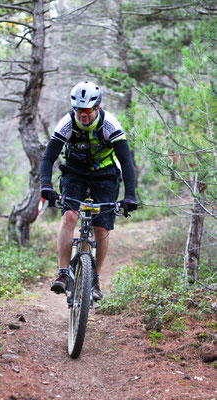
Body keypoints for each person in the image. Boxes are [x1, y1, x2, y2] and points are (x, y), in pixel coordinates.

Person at [39, 81, 137, 300]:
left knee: (101, 229)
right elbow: (48, 158)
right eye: (78, 110)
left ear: (97, 108)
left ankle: (95, 279)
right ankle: (63, 273)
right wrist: (46, 184)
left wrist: (130, 194)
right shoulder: (67, 123)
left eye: (86, 110)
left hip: (105, 174)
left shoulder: (109, 124)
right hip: (75, 172)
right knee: (69, 217)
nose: (82, 115)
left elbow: (126, 161)